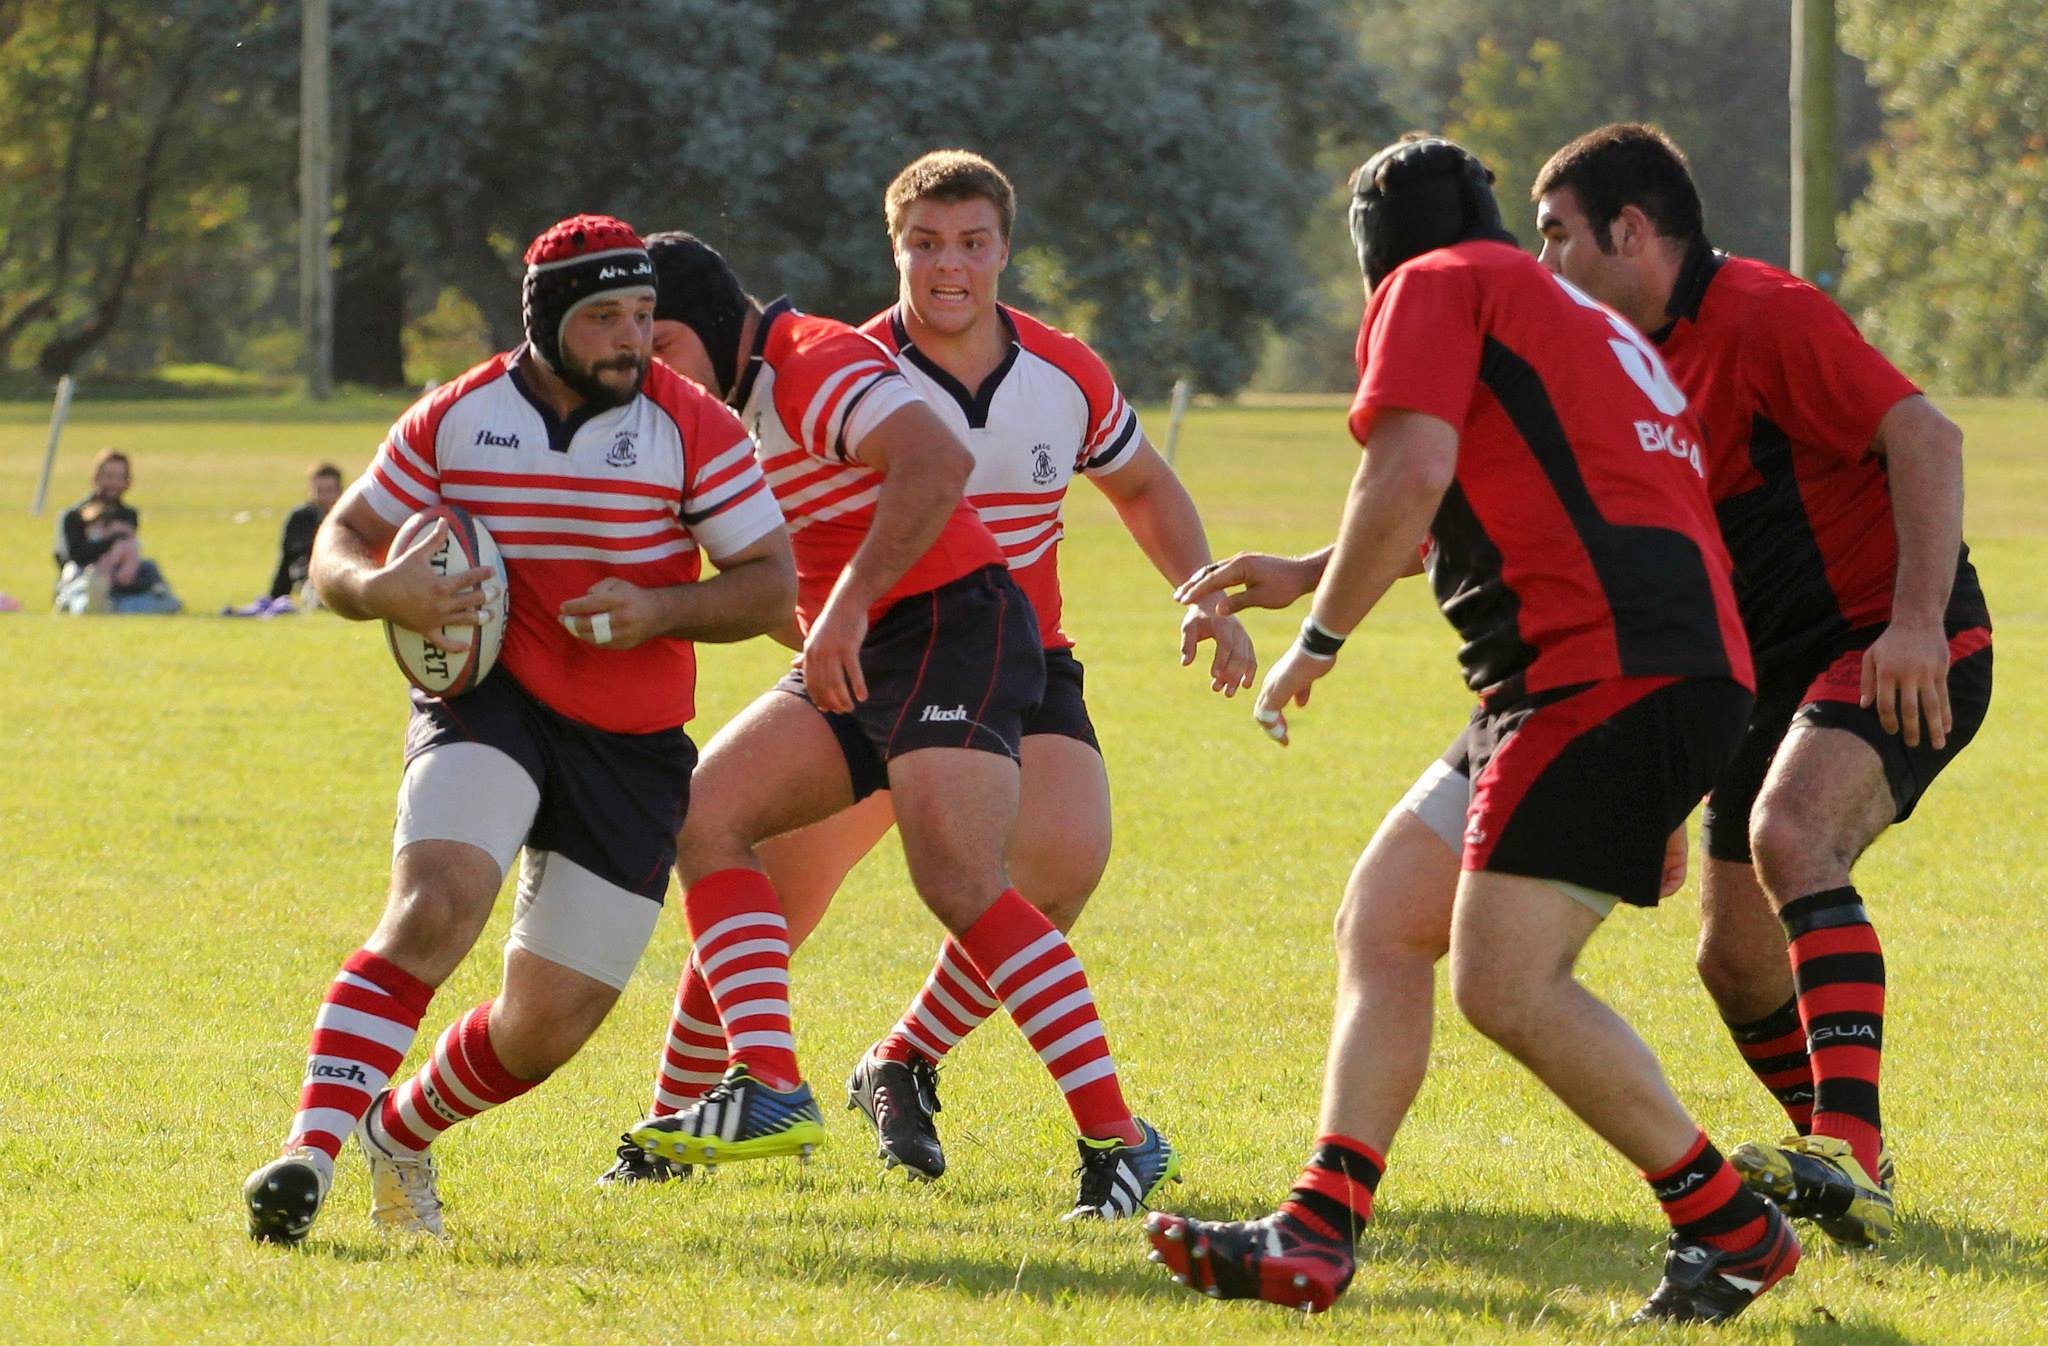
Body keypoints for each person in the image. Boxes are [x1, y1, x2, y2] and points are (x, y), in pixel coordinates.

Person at [1144, 135, 1795, 1325]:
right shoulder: (1576, 314)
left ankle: (1729, 1224)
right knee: (1386, 916)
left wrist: (1317, 641)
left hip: (1592, 671)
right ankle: (1317, 1228)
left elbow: (1408, 471)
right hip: (1639, 665)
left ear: (1373, 254)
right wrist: (1309, 572)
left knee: (1506, 983)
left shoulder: (1431, 281)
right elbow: (1539, 491)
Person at [616, 151, 1253, 1186]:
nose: (947, 265)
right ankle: (683, 1122)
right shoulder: (841, 364)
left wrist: (1202, 593)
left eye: (969, 243)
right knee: (750, 863)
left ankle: (912, 1061)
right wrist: (810, 622)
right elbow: (770, 551)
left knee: (1050, 866)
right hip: (872, 653)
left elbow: (1140, 484)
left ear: (1003, 250)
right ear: (895, 249)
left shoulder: (1045, 370)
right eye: (924, 243)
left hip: (997, 647)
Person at [240, 214, 794, 1245]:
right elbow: (342, 536)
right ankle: (306, 1156)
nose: (631, 338)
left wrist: (660, 608)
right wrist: (379, 589)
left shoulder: (693, 427)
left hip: (630, 743)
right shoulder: (458, 415)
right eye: (604, 317)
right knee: (436, 902)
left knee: (546, 1025)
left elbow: (769, 583)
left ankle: (399, 1130)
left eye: (644, 314)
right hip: (488, 701)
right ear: (545, 322)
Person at [1530, 123, 1992, 1246]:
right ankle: (1843, 1175)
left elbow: (1926, 436)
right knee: (1733, 961)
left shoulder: (1764, 313)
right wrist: (1316, 575)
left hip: (1890, 641)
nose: (1543, 263)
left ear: (1628, 231)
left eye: (1556, 234)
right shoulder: (1613, 359)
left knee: (1793, 834)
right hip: (1758, 677)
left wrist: (1915, 626)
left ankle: (1850, 1155)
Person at [54, 448, 181, 614]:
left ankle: (110, 608)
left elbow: (128, 555)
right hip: (82, 579)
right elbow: (72, 557)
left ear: (127, 482)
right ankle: (96, 605)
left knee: (158, 584)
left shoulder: (128, 516)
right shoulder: (73, 516)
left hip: (120, 584)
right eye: (109, 476)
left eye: (119, 477)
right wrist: (111, 539)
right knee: (81, 592)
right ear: (96, 478)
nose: (113, 483)